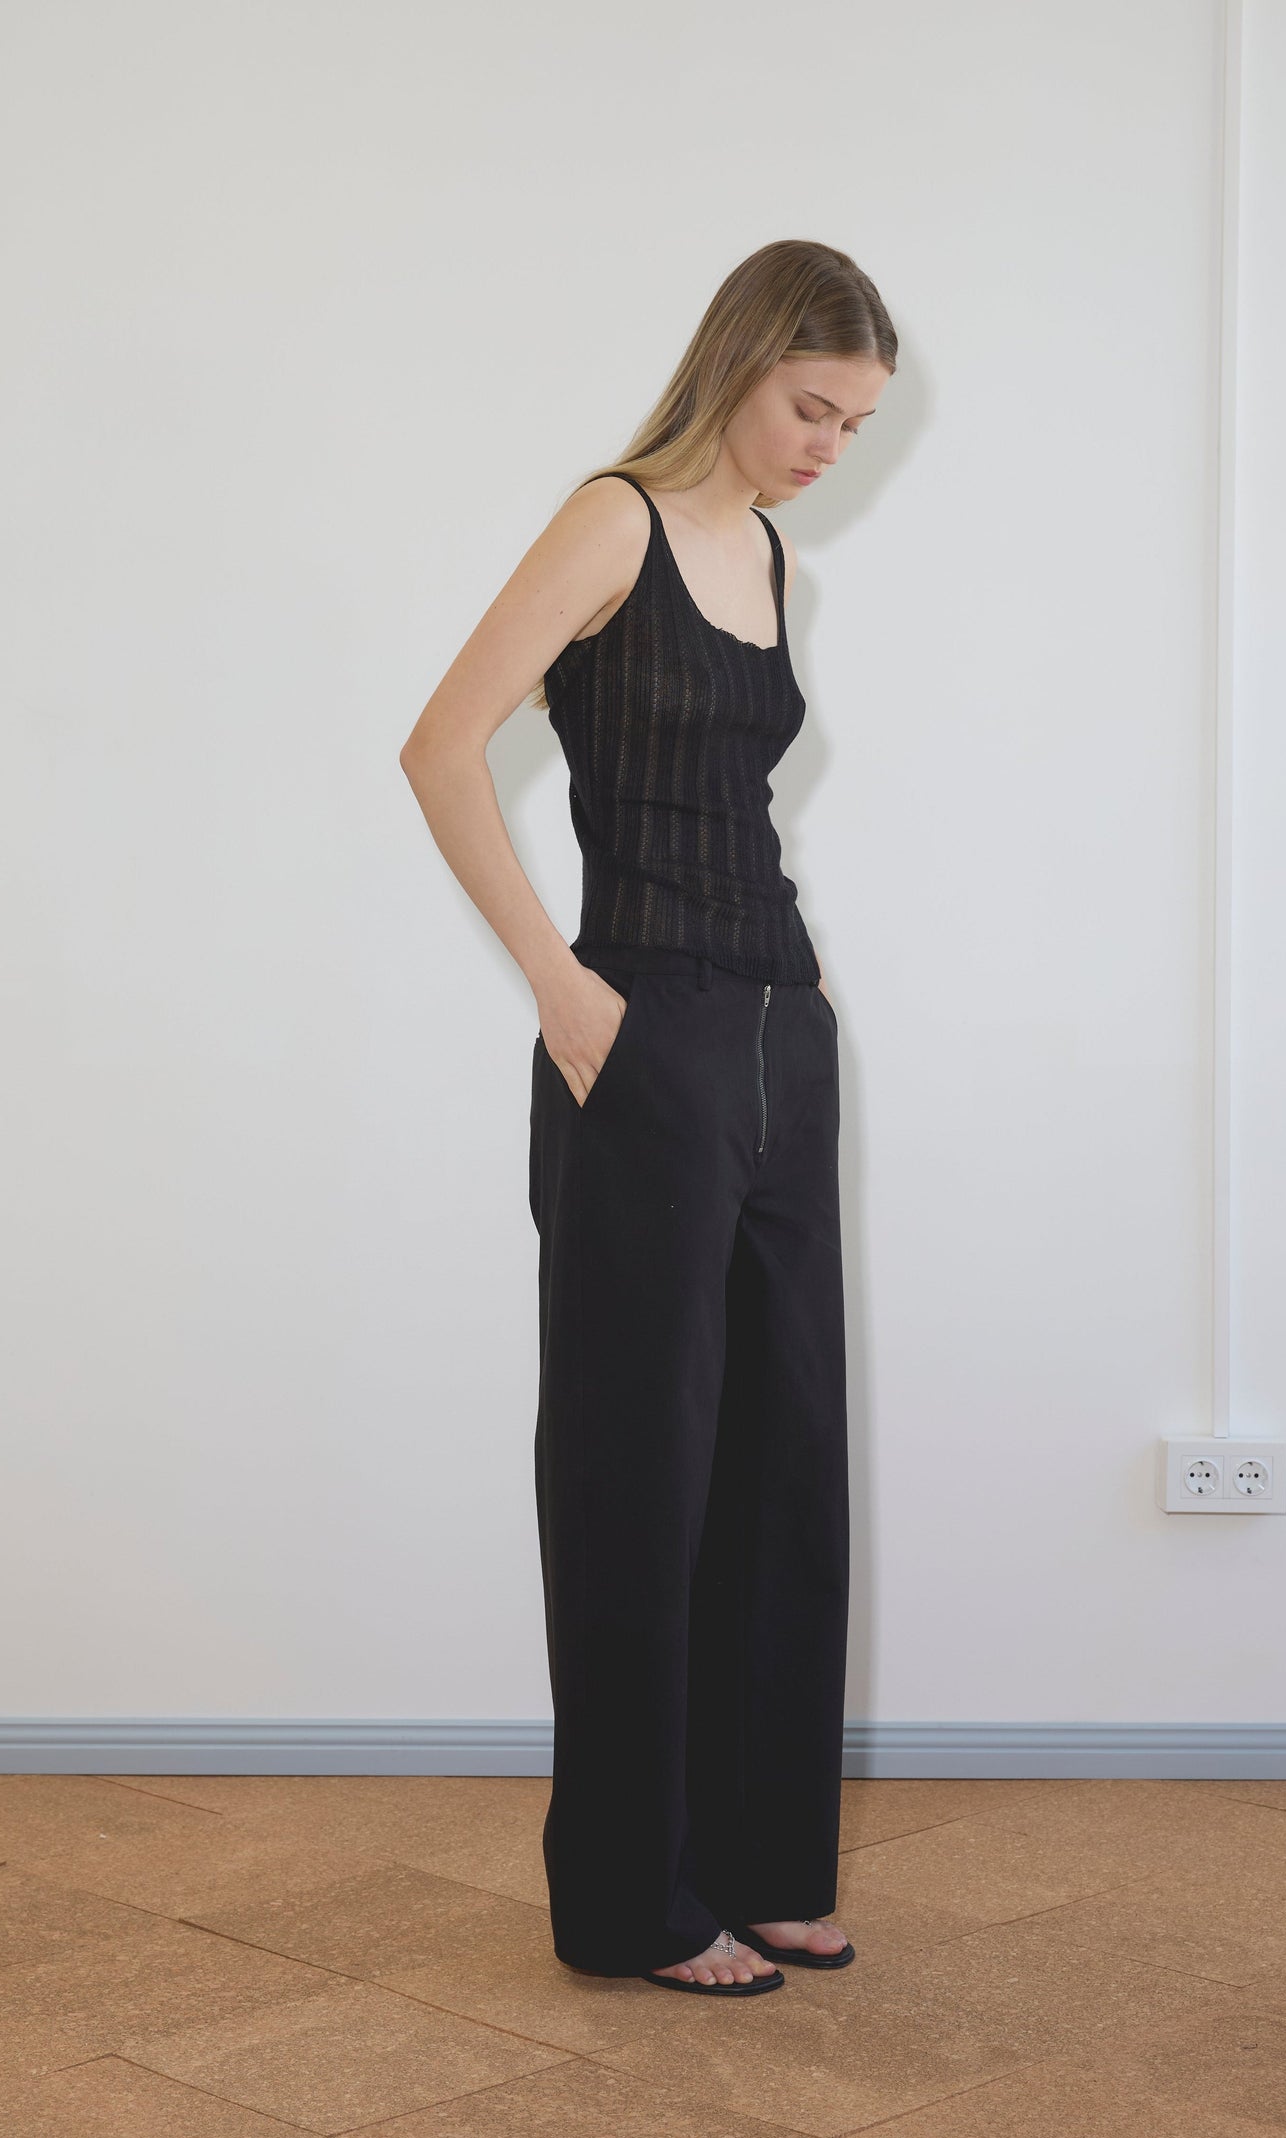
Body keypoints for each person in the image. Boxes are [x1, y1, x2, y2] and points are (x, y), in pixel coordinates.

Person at [400, 239, 895, 1997]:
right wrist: (558, 980)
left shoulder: (765, 550)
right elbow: (443, 745)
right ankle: (630, 1898)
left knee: (782, 1460)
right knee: (639, 1471)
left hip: (778, 1030)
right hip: (645, 1034)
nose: (828, 447)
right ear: (742, 363)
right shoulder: (612, 518)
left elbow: (740, 805)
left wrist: (807, 988)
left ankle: (759, 1864)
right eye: (811, 407)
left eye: (854, 424)